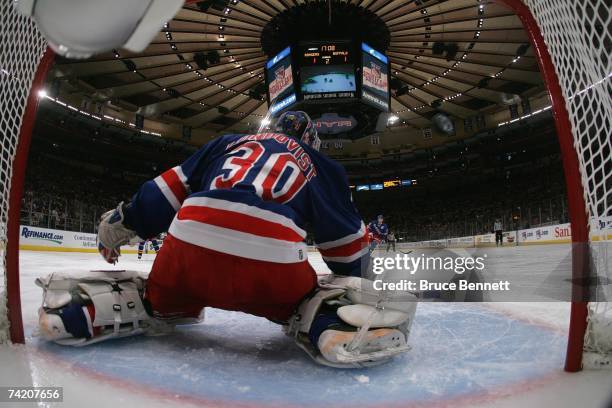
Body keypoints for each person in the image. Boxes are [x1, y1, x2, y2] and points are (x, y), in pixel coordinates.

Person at [37, 111, 416, 367]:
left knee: (158, 297)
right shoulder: (320, 165)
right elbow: (347, 251)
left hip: (188, 249)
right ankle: (329, 324)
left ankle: (81, 312)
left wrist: (119, 224)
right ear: (312, 140)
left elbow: (161, 195)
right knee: (311, 299)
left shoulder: (227, 143)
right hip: (271, 270)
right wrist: (359, 281)